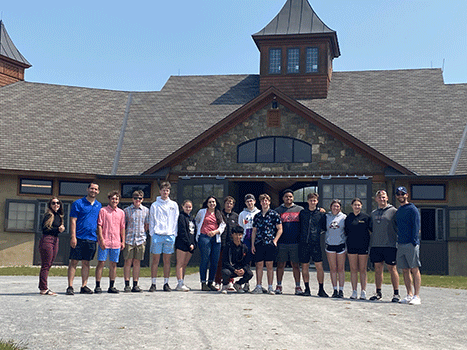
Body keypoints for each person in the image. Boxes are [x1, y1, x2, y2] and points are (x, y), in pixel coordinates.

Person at [67, 182, 102, 295]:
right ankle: (70, 286)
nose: (93, 191)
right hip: (79, 237)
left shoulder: (99, 205)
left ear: (98, 192)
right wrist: (73, 237)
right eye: (92, 188)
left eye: (96, 189)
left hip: (91, 238)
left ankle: (84, 286)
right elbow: (73, 220)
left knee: (86, 263)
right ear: (87, 189)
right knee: (74, 262)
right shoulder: (78, 203)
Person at [369, 190, 400, 302]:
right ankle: (378, 292)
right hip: (376, 245)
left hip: (390, 245)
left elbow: (398, 227)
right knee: (378, 269)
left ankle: (396, 293)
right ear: (376, 199)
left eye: (383, 197)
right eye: (379, 197)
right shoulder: (373, 213)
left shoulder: (394, 211)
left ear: (387, 198)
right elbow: (371, 228)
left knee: (392, 269)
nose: (381, 199)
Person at [148, 181, 179, 292]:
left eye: (167, 190)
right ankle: (153, 283)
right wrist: (152, 233)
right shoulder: (154, 205)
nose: (165, 192)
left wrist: (173, 234)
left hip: (169, 236)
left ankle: (166, 283)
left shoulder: (174, 205)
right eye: (163, 190)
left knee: (167, 261)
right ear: (160, 191)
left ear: (169, 191)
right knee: (155, 260)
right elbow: (151, 220)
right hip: (157, 235)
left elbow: (175, 220)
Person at [395, 186, 422, 305]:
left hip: (411, 243)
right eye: (399, 194)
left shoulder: (413, 209)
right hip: (400, 243)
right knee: (405, 270)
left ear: (407, 195)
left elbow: (416, 227)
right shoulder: (399, 210)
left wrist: (414, 242)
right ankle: (409, 294)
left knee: (414, 269)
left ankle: (417, 296)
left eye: (403, 194)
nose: (401, 196)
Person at [251, 194, 283, 295]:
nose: (264, 202)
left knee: (269, 265)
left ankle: (270, 287)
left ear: (269, 202)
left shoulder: (274, 214)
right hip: (259, 243)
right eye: (262, 201)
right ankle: (259, 286)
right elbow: (254, 231)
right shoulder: (257, 216)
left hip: (269, 243)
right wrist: (252, 244)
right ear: (260, 203)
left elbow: (280, 229)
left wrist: (275, 241)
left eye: (266, 201)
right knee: (259, 265)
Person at [95, 190, 126, 294]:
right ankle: (97, 285)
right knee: (101, 263)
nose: (114, 200)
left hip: (116, 242)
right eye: (113, 198)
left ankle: (111, 286)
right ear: (109, 199)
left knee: (113, 264)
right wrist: (101, 239)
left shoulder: (121, 213)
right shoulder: (103, 211)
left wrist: (123, 241)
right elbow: (99, 225)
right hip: (105, 241)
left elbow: (122, 227)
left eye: (116, 199)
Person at [298, 193, 329, 297]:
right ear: (308, 201)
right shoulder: (302, 213)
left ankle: (321, 289)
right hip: (304, 243)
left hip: (316, 244)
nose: (312, 202)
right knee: (304, 266)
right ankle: (307, 289)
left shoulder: (321, 214)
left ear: (317, 201)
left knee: (319, 266)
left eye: (314, 200)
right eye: (311, 200)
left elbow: (325, 227)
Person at [274, 189, 304, 295]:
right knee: (280, 265)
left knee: (295, 265)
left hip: (295, 242)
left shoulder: (300, 210)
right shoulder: (277, 210)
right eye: (286, 196)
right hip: (282, 242)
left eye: (290, 196)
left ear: (293, 198)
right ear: (283, 198)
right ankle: (278, 286)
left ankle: (298, 286)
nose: (288, 198)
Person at [195, 196, 226, 291]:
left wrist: (215, 232)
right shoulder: (202, 212)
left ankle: (210, 282)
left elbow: (222, 225)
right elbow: (197, 221)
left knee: (215, 261)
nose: (212, 204)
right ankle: (203, 282)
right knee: (205, 259)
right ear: (207, 203)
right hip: (204, 237)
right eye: (210, 202)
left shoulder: (219, 213)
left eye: (213, 202)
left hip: (215, 238)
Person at [345, 198, 371, 300]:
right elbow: (346, 231)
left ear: (361, 206)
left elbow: (370, 230)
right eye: (355, 205)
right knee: (353, 269)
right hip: (351, 246)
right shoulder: (348, 218)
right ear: (352, 206)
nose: (357, 207)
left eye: (359, 205)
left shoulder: (366, 217)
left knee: (363, 269)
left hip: (363, 246)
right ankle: (354, 291)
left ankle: (363, 291)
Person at [123, 190, 149, 293]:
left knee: (137, 262)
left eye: (140, 198)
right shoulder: (126, 211)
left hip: (140, 239)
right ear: (132, 199)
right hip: (129, 239)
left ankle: (135, 284)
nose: (137, 200)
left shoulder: (146, 210)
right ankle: (127, 284)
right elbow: (123, 226)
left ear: (142, 199)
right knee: (128, 262)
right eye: (135, 198)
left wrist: (142, 235)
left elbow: (146, 225)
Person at [38, 197, 65, 295]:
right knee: (46, 264)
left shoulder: (59, 215)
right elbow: (45, 229)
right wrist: (58, 229)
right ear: (50, 205)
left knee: (49, 264)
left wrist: (60, 229)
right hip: (47, 240)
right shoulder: (48, 215)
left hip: (55, 240)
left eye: (58, 203)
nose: (56, 205)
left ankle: (42, 286)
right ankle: (43, 288)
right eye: (53, 203)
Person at [321, 199, 347, 298]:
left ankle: (341, 290)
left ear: (340, 207)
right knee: (333, 269)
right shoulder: (327, 216)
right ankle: (334, 290)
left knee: (341, 268)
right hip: (330, 244)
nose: (335, 208)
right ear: (331, 207)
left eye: (337, 206)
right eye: (334, 206)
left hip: (340, 244)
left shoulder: (344, 217)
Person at [220, 225, 253, 294]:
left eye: (240, 235)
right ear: (232, 235)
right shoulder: (227, 247)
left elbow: (247, 263)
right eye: (236, 235)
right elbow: (225, 262)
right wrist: (234, 270)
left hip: (240, 269)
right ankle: (225, 285)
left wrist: (243, 269)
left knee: (250, 273)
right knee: (225, 272)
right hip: (231, 269)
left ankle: (238, 284)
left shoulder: (244, 247)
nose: (238, 237)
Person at [214, 196, 239, 288]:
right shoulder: (219, 214)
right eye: (227, 203)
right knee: (219, 262)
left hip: (232, 243)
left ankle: (230, 281)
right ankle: (217, 281)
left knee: (231, 263)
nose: (229, 205)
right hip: (221, 242)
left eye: (231, 203)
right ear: (224, 204)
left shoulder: (236, 216)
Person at [238, 194, 260, 291]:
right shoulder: (242, 214)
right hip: (246, 240)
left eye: (251, 201)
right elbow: (240, 227)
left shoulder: (259, 212)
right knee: (246, 262)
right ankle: (246, 282)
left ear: (254, 202)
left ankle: (259, 284)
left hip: (257, 240)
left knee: (258, 262)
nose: (249, 203)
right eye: (247, 201)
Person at [175, 199, 197, 291]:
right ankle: (179, 283)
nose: (188, 208)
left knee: (184, 264)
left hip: (191, 245)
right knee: (180, 263)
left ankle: (182, 282)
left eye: (190, 207)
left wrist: (193, 243)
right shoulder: (181, 217)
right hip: (182, 244)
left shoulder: (191, 218)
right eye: (186, 206)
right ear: (182, 207)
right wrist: (188, 243)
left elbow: (193, 231)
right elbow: (182, 231)